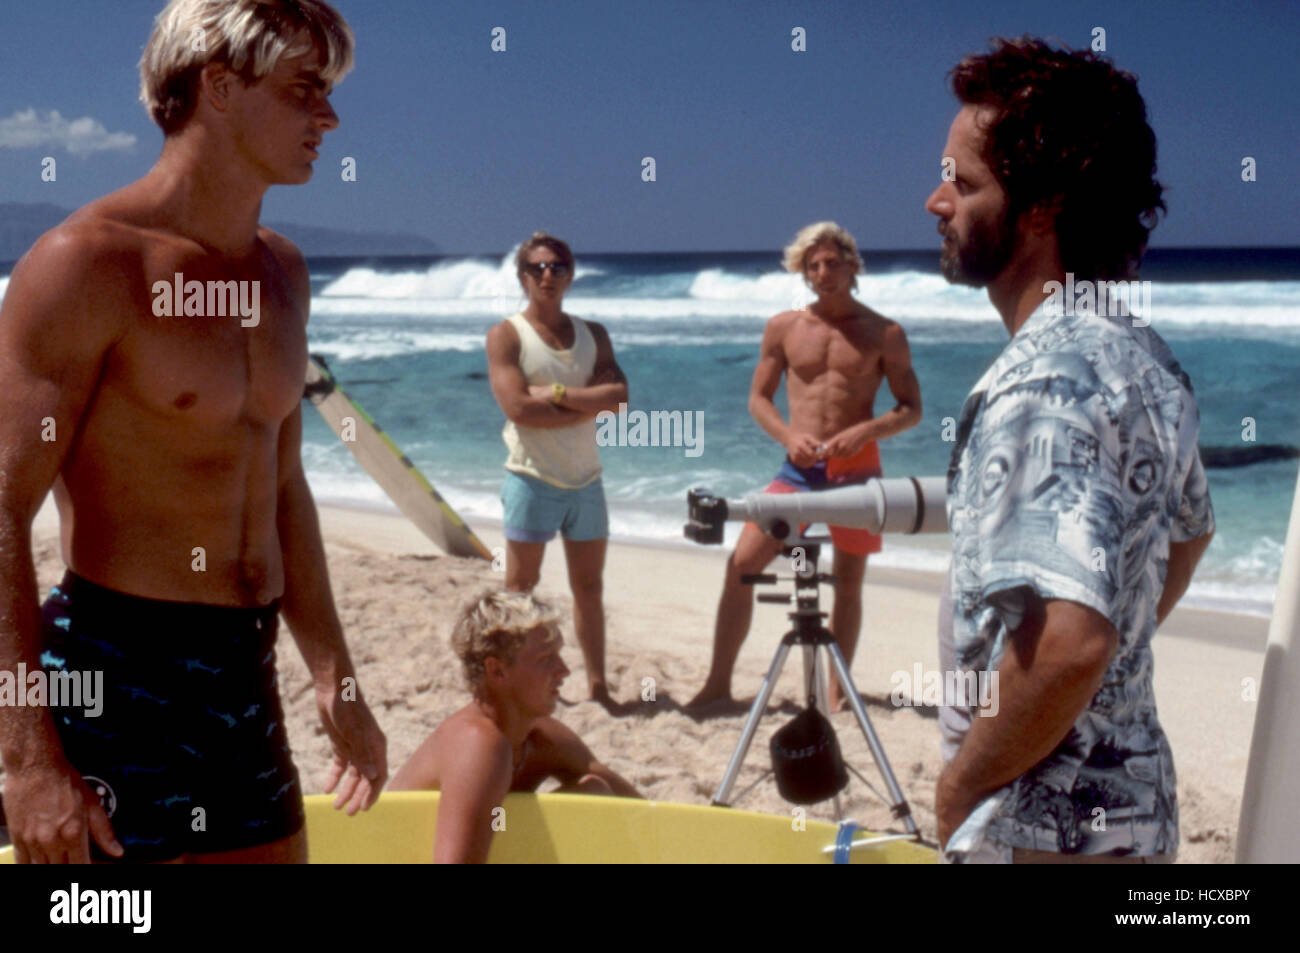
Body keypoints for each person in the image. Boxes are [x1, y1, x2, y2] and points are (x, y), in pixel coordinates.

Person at [0, 0, 387, 865]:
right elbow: (0, 509)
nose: (329, 116)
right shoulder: (87, 264)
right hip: (115, 672)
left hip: (244, 677)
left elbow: (282, 482)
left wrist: (333, 673)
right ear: (218, 86)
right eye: (303, 90)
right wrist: (25, 756)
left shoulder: (282, 273)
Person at [925, 37, 1214, 863]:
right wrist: (1101, 678)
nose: (934, 201)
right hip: (1133, 820)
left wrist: (962, 789)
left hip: (1037, 832)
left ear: (1043, 205)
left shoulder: (1042, 383)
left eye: (961, 181)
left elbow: (1068, 644)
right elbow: (1188, 535)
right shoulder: (1141, 355)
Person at [688, 222, 922, 713]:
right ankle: (717, 685)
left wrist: (865, 431)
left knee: (849, 583)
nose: (823, 272)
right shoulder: (785, 327)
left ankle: (837, 693)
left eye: (833, 262)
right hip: (799, 471)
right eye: (813, 265)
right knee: (742, 564)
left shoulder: (885, 332)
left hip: (857, 472)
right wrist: (790, 436)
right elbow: (758, 399)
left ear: (852, 265)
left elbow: (910, 408)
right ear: (803, 272)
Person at [390, 588, 641, 863]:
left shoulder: (543, 738)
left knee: (595, 792)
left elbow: (641, 812)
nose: (564, 671)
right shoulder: (477, 743)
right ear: (497, 671)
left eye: (559, 655)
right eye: (546, 659)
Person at [484, 232, 629, 707]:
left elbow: (620, 402)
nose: (548, 275)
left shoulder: (595, 334)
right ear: (523, 277)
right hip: (531, 479)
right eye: (538, 268)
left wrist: (561, 395)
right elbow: (520, 410)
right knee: (520, 588)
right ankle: (508, 681)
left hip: (587, 479)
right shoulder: (506, 335)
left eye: (558, 267)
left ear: (571, 274)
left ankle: (598, 685)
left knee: (590, 587)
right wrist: (590, 403)